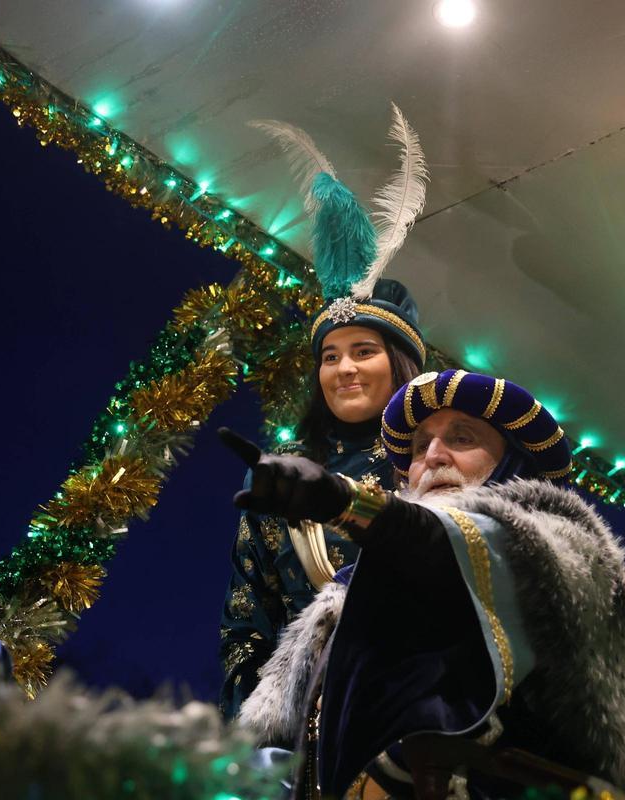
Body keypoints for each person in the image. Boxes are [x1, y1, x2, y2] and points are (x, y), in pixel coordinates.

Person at [223, 370, 625, 797]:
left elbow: (455, 546)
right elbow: (281, 727)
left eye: (461, 437)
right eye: (420, 446)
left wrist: (343, 501)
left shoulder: (563, 539)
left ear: (515, 463)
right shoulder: (355, 581)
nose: (432, 456)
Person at [219, 106, 431, 718]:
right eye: (330, 356)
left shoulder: (437, 455)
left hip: (419, 709)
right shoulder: (280, 476)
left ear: (399, 365)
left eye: (363, 352)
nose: (344, 369)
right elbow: (245, 621)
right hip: (299, 723)